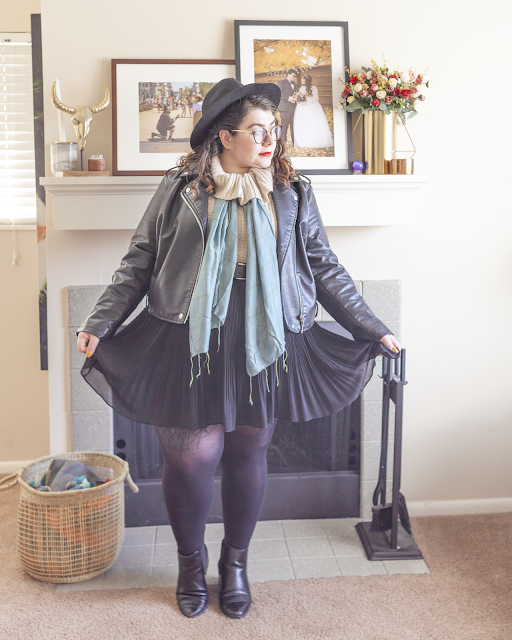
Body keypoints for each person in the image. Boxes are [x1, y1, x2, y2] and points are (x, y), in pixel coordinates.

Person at [76, 78, 400, 620]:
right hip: (190, 332)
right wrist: (102, 319)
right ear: (224, 136)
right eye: (257, 130)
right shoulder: (180, 185)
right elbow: (141, 259)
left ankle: (236, 563)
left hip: (266, 332)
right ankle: (188, 561)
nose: (270, 138)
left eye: (274, 129)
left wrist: (370, 325)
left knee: (250, 450)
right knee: (193, 456)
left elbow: (321, 265)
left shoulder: (292, 189)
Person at [293, 74, 334, 148]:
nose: (301, 80)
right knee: (304, 124)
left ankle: (314, 142)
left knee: (312, 123)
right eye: (301, 78)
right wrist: (300, 102)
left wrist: (306, 103)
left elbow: (315, 98)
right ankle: (304, 141)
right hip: (302, 108)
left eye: (303, 79)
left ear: (307, 80)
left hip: (312, 108)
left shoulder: (313, 88)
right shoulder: (301, 88)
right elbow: (299, 97)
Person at [277, 69, 298, 145]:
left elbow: (297, 95)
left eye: (296, 76)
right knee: (284, 127)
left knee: (294, 127)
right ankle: (282, 144)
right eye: (293, 76)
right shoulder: (281, 82)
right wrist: (290, 99)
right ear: (288, 75)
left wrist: (296, 99)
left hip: (294, 109)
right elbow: (280, 94)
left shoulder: (296, 85)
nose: (295, 78)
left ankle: (294, 143)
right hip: (285, 109)